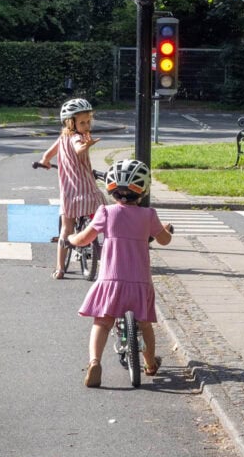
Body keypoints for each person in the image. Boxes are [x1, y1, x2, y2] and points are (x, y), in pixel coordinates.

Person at [67, 158, 173, 386]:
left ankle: (95, 361)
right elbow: (164, 240)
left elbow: (84, 238)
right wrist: (167, 230)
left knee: (102, 323)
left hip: (110, 280)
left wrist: (70, 239)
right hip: (140, 283)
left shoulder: (105, 212)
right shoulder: (149, 215)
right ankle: (150, 363)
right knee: (144, 325)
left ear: (111, 189)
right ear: (143, 191)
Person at [39, 98, 105, 279]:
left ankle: (60, 268)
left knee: (66, 230)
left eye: (88, 121)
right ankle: (103, 251)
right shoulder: (77, 138)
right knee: (99, 221)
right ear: (71, 122)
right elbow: (77, 149)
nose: (86, 125)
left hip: (69, 193)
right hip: (87, 190)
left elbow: (47, 154)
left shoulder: (63, 138)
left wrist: (44, 162)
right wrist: (85, 146)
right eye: (82, 122)